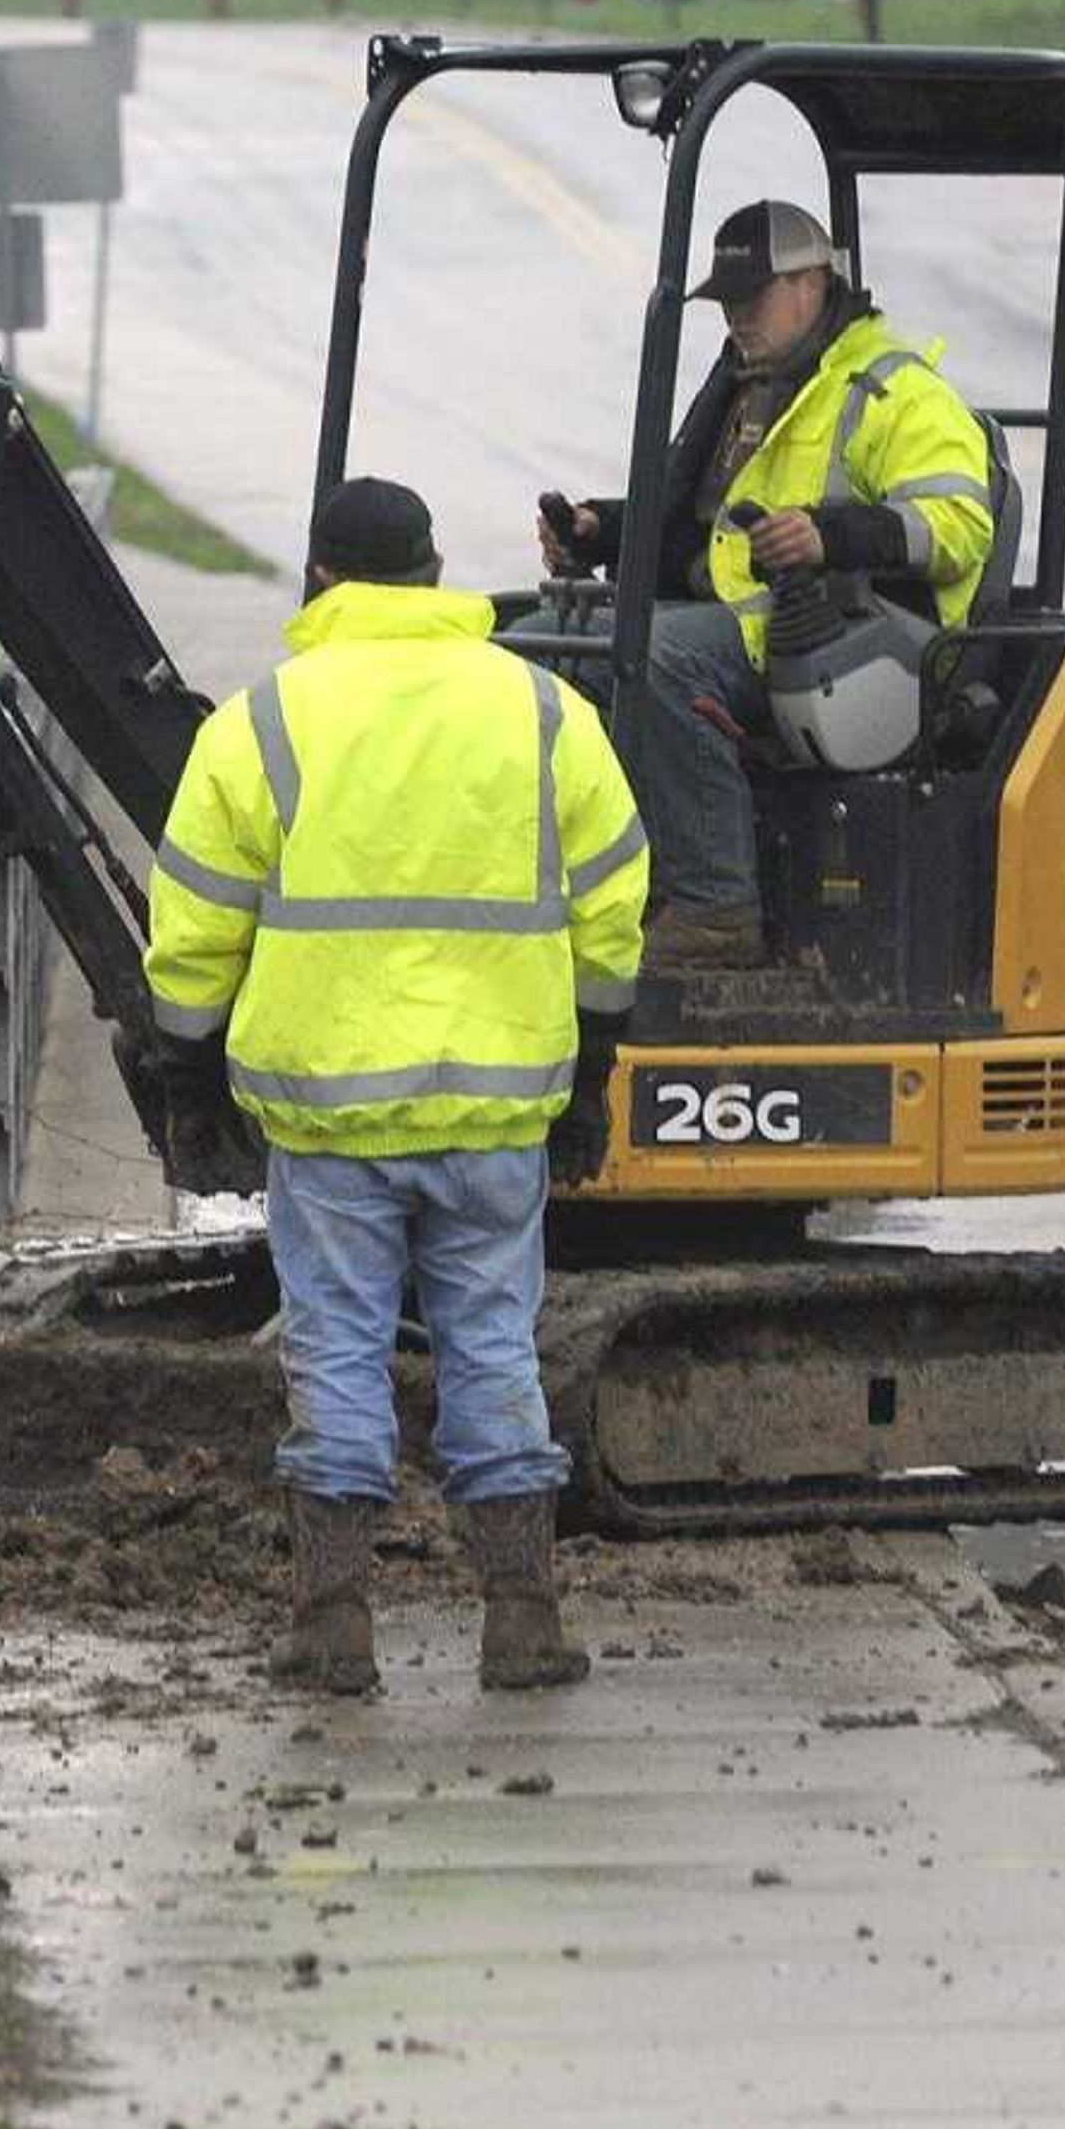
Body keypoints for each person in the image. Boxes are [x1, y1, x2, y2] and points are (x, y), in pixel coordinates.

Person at [143, 477, 650, 1696]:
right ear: (433, 576)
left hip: (328, 1122)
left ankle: (333, 1625)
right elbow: (617, 900)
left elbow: (195, 928)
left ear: (321, 579)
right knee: (491, 1349)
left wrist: (191, 1068)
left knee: (338, 1353)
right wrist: (593, 1071)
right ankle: (523, 1620)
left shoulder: (262, 723)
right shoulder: (542, 712)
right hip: (493, 1117)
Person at [538, 198, 997, 969]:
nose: (737, 319)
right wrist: (602, 529)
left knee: (648, 654)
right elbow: (707, 528)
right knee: (554, 647)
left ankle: (717, 904)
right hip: (751, 623)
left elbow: (959, 522)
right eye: (726, 303)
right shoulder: (754, 387)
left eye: (752, 299)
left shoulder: (895, 390)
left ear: (813, 282)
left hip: (852, 640)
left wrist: (828, 534)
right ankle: (612, 884)